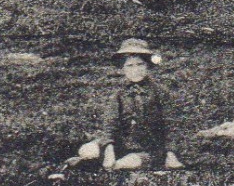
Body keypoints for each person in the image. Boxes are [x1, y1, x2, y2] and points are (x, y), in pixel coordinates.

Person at [52, 38, 184, 178]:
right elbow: (110, 125)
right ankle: (87, 164)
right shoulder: (118, 94)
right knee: (87, 151)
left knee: (127, 163)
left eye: (140, 65)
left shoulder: (160, 92)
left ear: (148, 66)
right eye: (130, 66)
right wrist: (109, 150)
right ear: (122, 68)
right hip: (121, 144)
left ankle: (94, 167)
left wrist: (171, 154)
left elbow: (172, 125)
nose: (135, 70)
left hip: (148, 148)